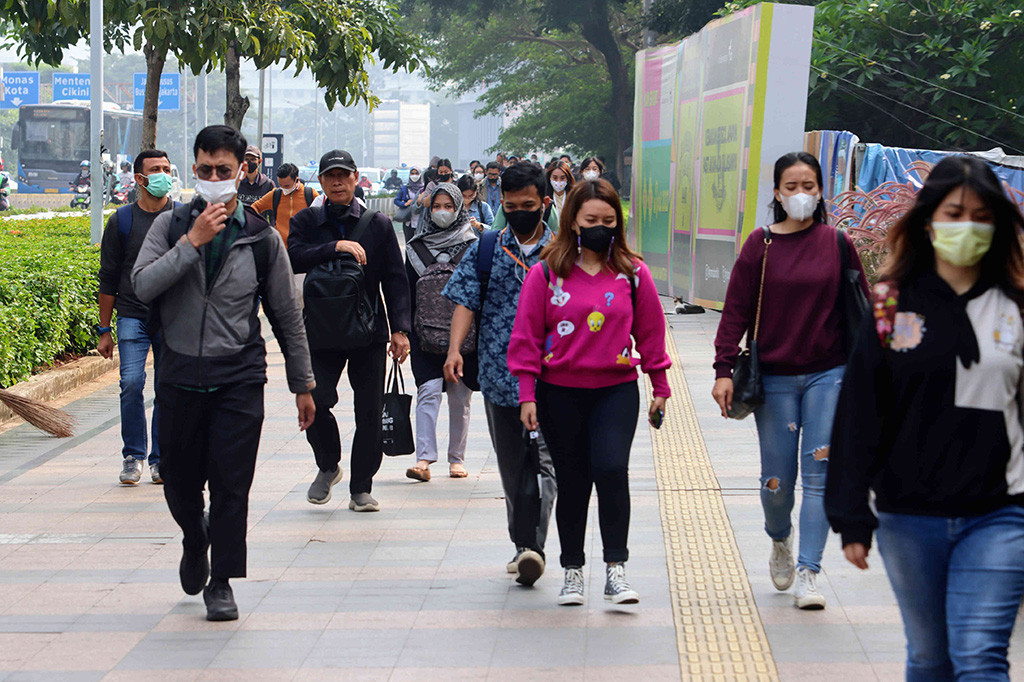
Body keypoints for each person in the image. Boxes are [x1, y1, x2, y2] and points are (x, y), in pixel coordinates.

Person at [826, 155, 1024, 679]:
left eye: (982, 215)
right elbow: (862, 412)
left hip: (1001, 511)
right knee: (930, 657)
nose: (967, 226)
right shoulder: (892, 305)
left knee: (980, 656)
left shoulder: (1017, 308)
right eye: (954, 212)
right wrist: (850, 515)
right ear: (929, 218)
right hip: (908, 515)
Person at [132, 125, 315, 622]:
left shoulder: (259, 239)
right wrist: (191, 241)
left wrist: (303, 384)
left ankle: (223, 581)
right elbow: (143, 285)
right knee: (179, 481)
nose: (215, 178)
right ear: (194, 169)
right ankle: (196, 538)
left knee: (233, 484)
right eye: (206, 169)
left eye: (225, 171)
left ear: (241, 173)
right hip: (178, 376)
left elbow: (286, 314)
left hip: (238, 377)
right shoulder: (170, 226)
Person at [712, 151, 868, 610]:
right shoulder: (759, 246)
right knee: (776, 481)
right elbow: (735, 309)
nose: (801, 194)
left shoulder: (837, 243)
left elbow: (859, 309)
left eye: (809, 186)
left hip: (829, 374)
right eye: (791, 186)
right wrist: (723, 369)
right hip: (774, 379)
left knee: (819, 478)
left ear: (821, 191)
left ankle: (809, 571)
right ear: (777, 193)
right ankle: (780, 538)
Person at [507, 178, 670, 607]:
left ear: (619, 221)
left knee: (613, 470)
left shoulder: (634, 274)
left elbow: (652, 333)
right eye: (591, 219)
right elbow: (525, 336)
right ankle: (573, 571)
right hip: (559, 392)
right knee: (574, 481)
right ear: (573, 221)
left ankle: (616, 570)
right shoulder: (547, 272)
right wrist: (527, 393)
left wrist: (661, 385)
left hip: (616, 391)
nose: (600, 226)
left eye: (609, 220)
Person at [443, 162, 557, 587]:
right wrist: (455, 349)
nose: (519, 212)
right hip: (498, 375)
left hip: (553, 379)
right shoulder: (486, 248)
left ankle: (534, 547)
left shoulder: (563, 251)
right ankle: (522, 543)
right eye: (510, 206)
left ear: (544, 203)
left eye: (528, 205)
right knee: (514, 469)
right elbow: (466, 301)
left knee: (546, 464)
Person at [288, 149, 412, 513]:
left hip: (368, 331)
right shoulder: (307, 220)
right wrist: (334, 246)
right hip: (321, 331)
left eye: (344, 175)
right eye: (330, 176)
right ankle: (328, 464)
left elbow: (395, 278)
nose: (338, 181)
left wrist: (400, 329)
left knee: (369, 412)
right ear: (321, 181)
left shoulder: (377, 224)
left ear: (356, 178)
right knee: (317, 401)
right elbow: (292, 255)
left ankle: (361, 487)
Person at [97, 149, 176, 486]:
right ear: (141, 179)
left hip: (173, 317)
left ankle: (161, 459)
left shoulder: (183, 217)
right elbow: (108, 277)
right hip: (132, 315)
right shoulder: (122, 221)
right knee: (131, 384)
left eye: (166, 169)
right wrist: (104, 329)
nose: (163, 174)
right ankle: (133, 456)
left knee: (167, 388)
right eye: (155, 170)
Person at [405, 184, 479, 481]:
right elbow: (406, 292)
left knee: (460, 397)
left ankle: (456, 459)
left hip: (465, 337)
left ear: (460, 207)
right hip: (424, 334)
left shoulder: (475, 245)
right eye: (437, 206)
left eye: (449, 205)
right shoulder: (415, 249)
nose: (442, 211)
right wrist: (401, 330)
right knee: (428, 391)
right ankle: (424, 458)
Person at [250, 163, 318, 248]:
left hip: (304, 248)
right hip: (280, 249)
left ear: (296, 180)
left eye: (286, 186)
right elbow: (254, 208)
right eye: (280, 185)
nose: (283, 188)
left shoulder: (310, 194)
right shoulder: (275, 195)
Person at [415, 158, 454, 233]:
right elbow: (425, 203)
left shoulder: (457, 184)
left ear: (451, 170)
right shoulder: (432, 185)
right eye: (441, 172)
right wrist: (437, 190)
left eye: (446, 172)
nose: (443, 174)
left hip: (453, 223)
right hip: (434, 224)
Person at [396, 167, 424, 243]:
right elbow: (396, 200)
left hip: (421, 221)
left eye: (416, 173)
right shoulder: (405, 188)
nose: (414, 175)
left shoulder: (424, 188)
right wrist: (405, 204)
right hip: (408, 221)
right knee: (409, 243)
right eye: (412, 173)